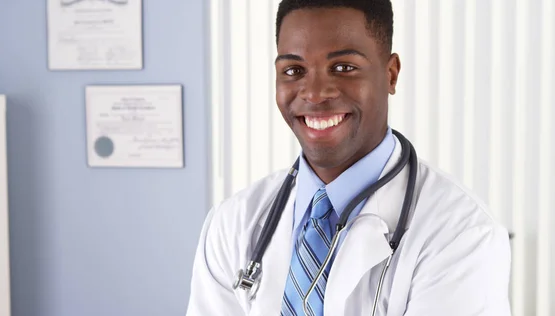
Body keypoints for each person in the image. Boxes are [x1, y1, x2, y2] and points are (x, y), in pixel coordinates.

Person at [186, 0, 512, 315]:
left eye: (343, 67)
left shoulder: (460, 234)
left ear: (391, 74)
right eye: (294, 69)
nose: (314, 93)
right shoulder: (232, 223)